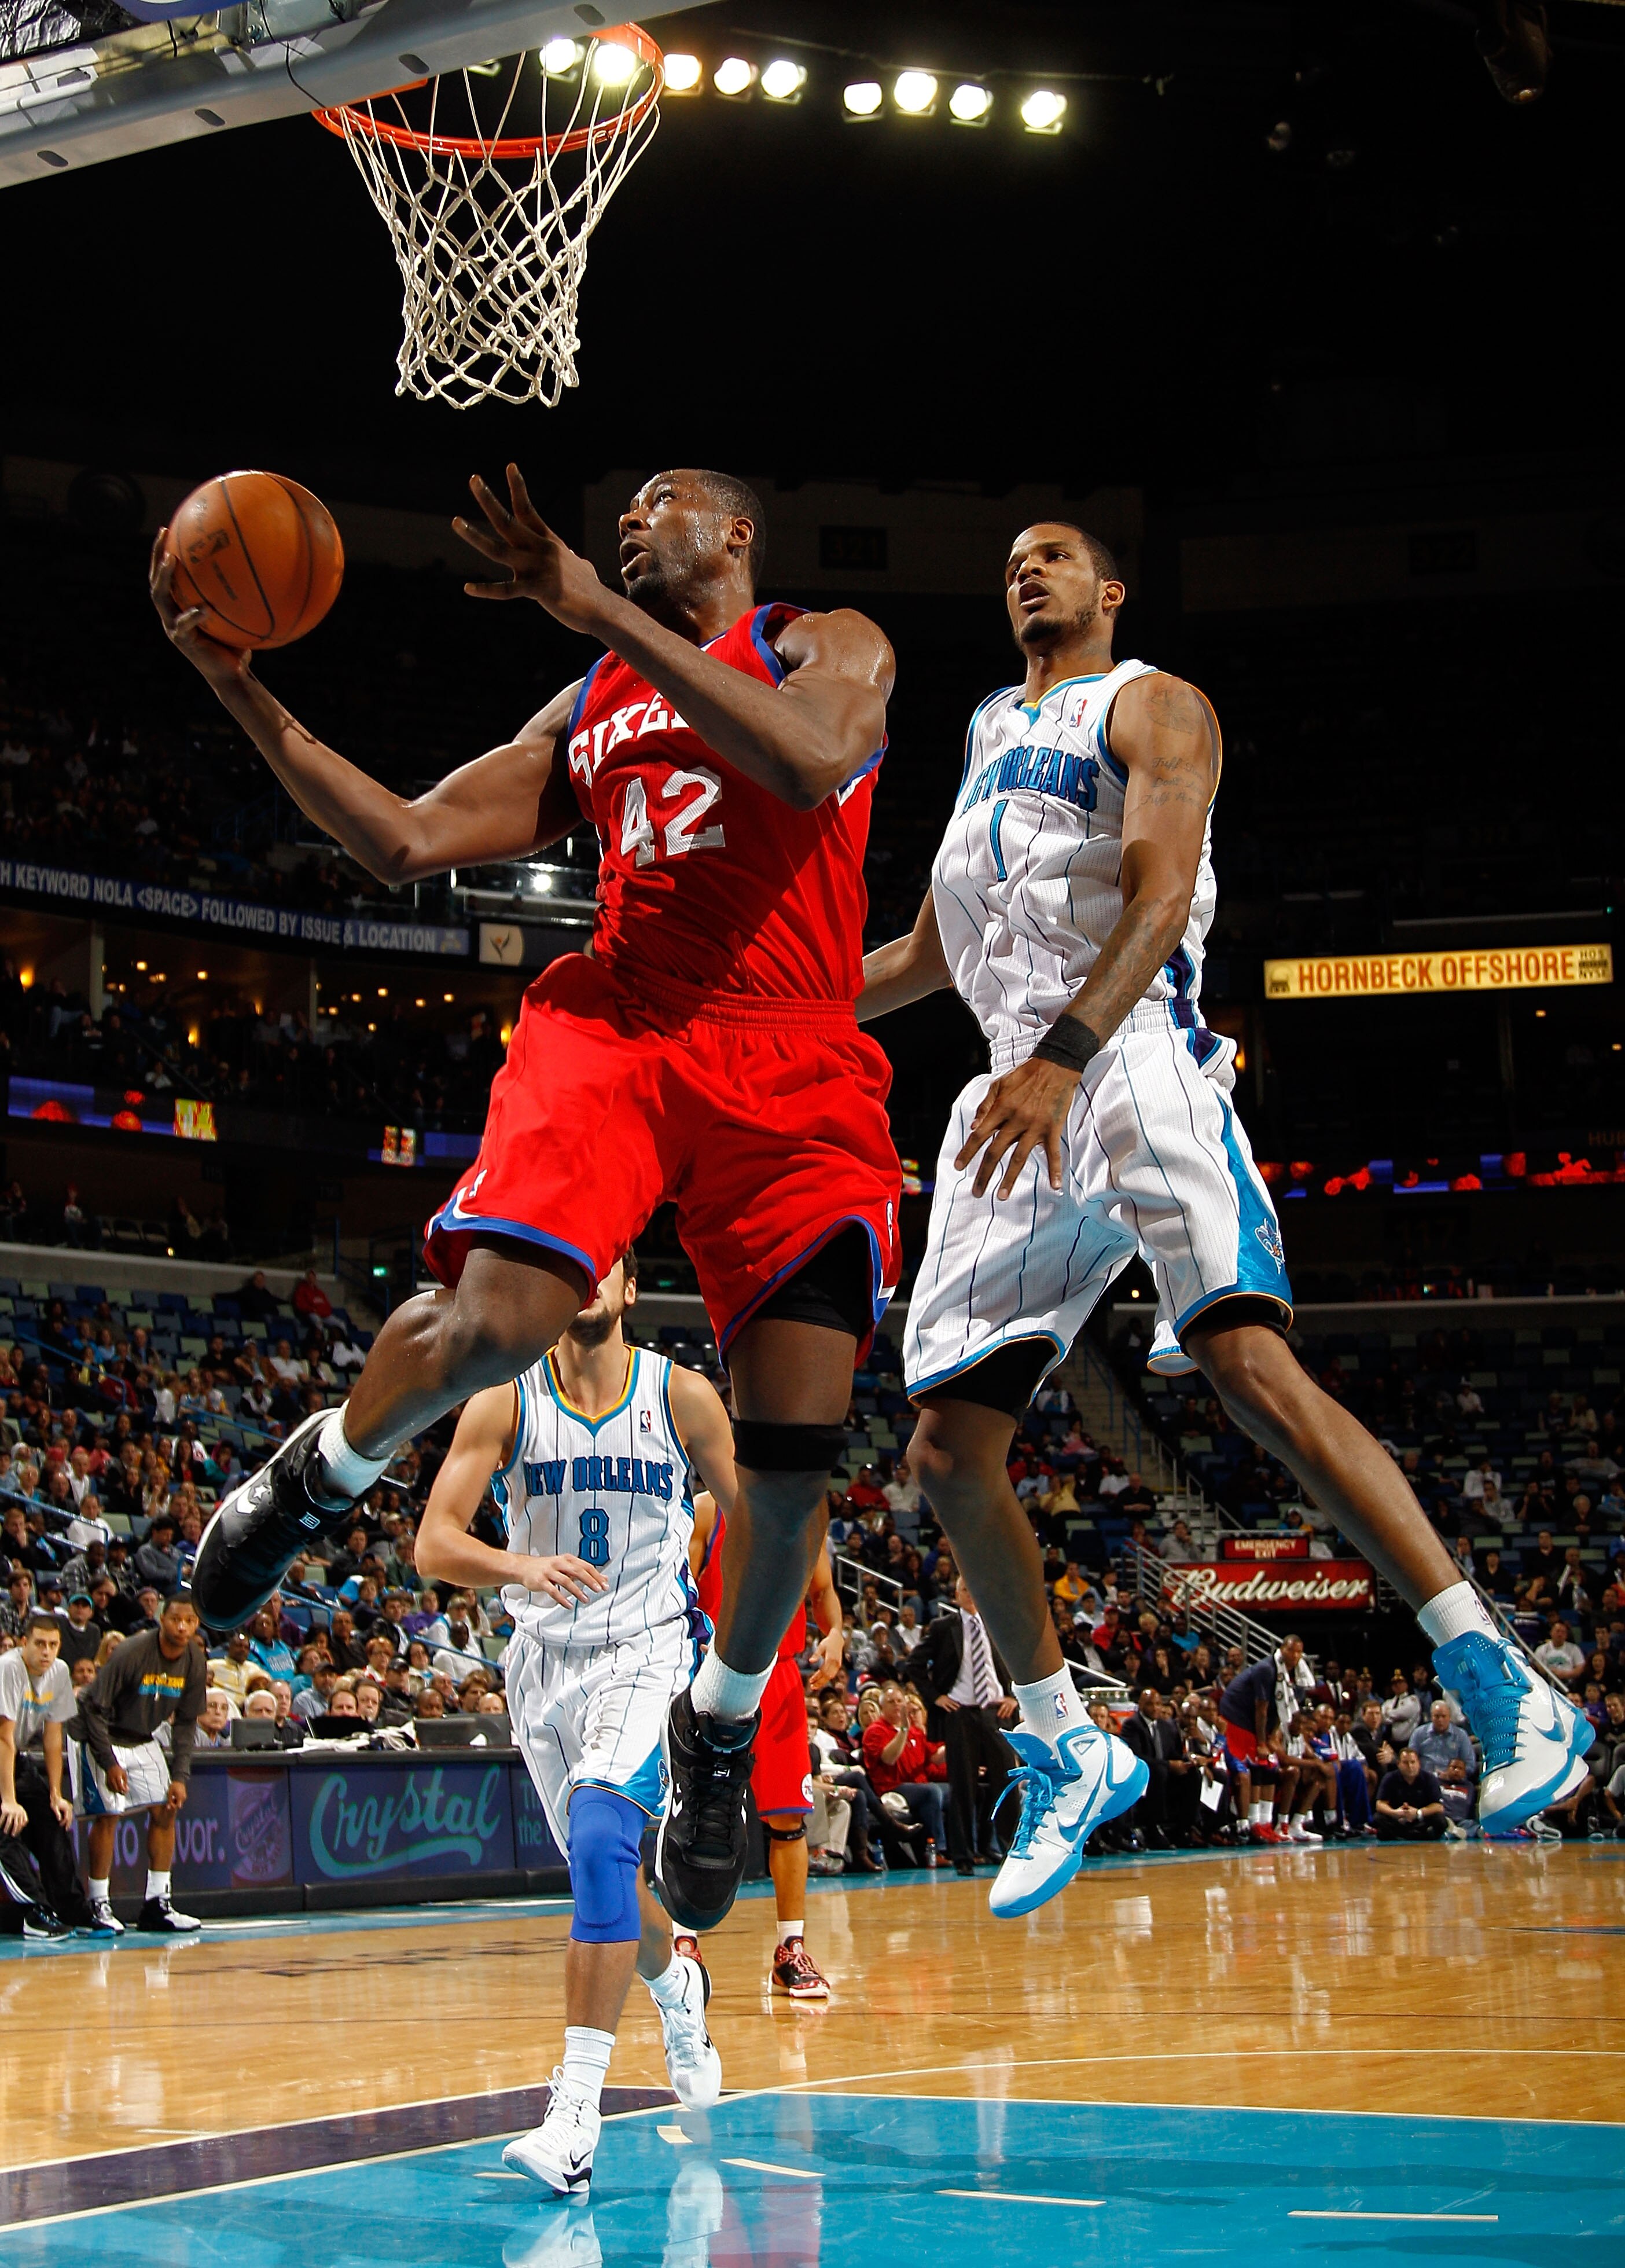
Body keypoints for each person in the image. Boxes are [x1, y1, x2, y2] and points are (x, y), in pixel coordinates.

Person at [157, 470, 905, 1937]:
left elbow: (814, 764)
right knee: (495, 1321)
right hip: (624, 1021)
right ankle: (321, 1469)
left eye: (666, 499)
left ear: (740, 534)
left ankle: (716, 1722)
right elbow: (403, 837)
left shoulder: (829, 642)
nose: (635, 516)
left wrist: (596, 602)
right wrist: (233, 684)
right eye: (626, 511)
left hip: (793, 1046)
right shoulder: (592, 698)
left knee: (793, 1461)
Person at [851, 516, 1593, 1909]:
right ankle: (1070, 1744)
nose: (1030, 567)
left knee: (1249, 1362)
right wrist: (769, 1013)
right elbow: (937, 951)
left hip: (1125, 1060)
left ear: (1110, 590)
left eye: (1059, 552)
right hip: (1010, 1089)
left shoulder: (1157, 703)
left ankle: (1495, 1676)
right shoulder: (977, 730)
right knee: (949, 1449)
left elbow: (1161, 888)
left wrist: (1065, 1059)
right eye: (1014, 553)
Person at [414, 1249, 733, 2197]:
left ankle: (576, 2114)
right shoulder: (505, 1401)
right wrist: (518, 1569)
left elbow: (764, 1511)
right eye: (575, 1262)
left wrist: (738, 1669)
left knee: (601, 1843)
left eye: (610, 1264)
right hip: (541, 1667)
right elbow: (436, 1538)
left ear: (631, 1289)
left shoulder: (680, 1397)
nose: (591, 1275)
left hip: (647, 1654)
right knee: (612, 1887)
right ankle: (678, 1989)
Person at [690, 1489, 844, 1998]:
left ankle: (790, 1950)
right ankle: (683, 1943)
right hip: (711, 1670)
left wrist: (836, 1634)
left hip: (779, 1678)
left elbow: (822, 1593)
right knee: (693, 1813)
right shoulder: (709, 1509)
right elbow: (679, 1590)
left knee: (788, 1817)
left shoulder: (806, 1512)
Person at [76, 1588, 207, 1933]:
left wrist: (180, 1776)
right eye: (175, 1619)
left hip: (142, 1738)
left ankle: (156, 1904)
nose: (182, 1627)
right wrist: (109, 1763)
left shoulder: (194, 1659)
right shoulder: (132, 1651)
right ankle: (98, 1904)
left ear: (197, 1625)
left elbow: (187, 1722)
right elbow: (93, 1708)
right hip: (103, 1734)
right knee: (109, 1815)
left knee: (167, 1808)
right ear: (161, 1619)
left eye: (189, 1621)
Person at [916, 1575, 1023, 1873]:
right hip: (960, 1714)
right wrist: (936, 1697)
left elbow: (1018, 1663)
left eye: (975, 1588)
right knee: (964, 1787)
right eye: (965, 1589)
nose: (971, 1594)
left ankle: (1012, 1852)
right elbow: (913, 1665)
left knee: (1008, 1784)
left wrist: (1013, 1695)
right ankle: (962, 1856)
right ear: (957, 1594)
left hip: (996, 1713)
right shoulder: (943, 1628)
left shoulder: (997, 1625)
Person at [0, 1612, 92, 1934]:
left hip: (18, 1759)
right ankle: (32, 1911)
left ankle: (71, 1909)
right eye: (40, 1644)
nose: (47, 1652)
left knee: (51, 1821)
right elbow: (3, 1737)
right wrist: (8, 1799)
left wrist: (56, 1794)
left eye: (53, 1645)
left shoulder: (59, 1671)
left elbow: (54, 1738)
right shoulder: (9, 1668)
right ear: (24, 1643)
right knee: (7, 1825)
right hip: (4, 1751)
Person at [1410, 1697, 1479, 1825]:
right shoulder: (1419, 1734)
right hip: (1425, 1780)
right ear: (1431, 1717)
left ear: (1450, 1717)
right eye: (1437, 1716)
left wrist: (1453, 1773)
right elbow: (1411, 1759)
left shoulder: (1461, 1735)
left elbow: (1470, 1765)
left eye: (1443, 1716)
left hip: (1453, 1781)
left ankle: (1459, 1823)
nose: (1440, 1720)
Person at [1375, 1744, 1448, 1841]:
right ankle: (1411, 1835)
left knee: (1440, 1820)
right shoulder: (1390, 1778)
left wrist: (1418, 1813)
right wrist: (1395, 1813)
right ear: (1398, 1764)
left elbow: (1439, 1807)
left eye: (1413, 1762)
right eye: (1405, 1763)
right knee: (1378, 1818)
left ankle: (1408, 1835)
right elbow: (1380, 1804)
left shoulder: (1430, 1779)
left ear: (1419, 1763)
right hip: (1398, 1819)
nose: (1410, 1766)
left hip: (1420, 1820)